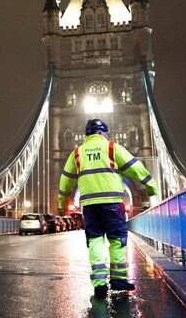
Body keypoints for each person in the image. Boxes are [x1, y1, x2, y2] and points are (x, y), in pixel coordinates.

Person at [58, 118, 157, 298]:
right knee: (117, 239)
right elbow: (135, 167)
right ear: (101, 132)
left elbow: (66, 178)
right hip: (111, 202)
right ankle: (118, 279)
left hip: (89, 205)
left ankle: (100, 284)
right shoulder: (112, 148)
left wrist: (61, 201)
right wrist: (150, 186)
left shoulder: (77, 153)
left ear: (87, 134)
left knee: (95, 240)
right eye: (105, 133)